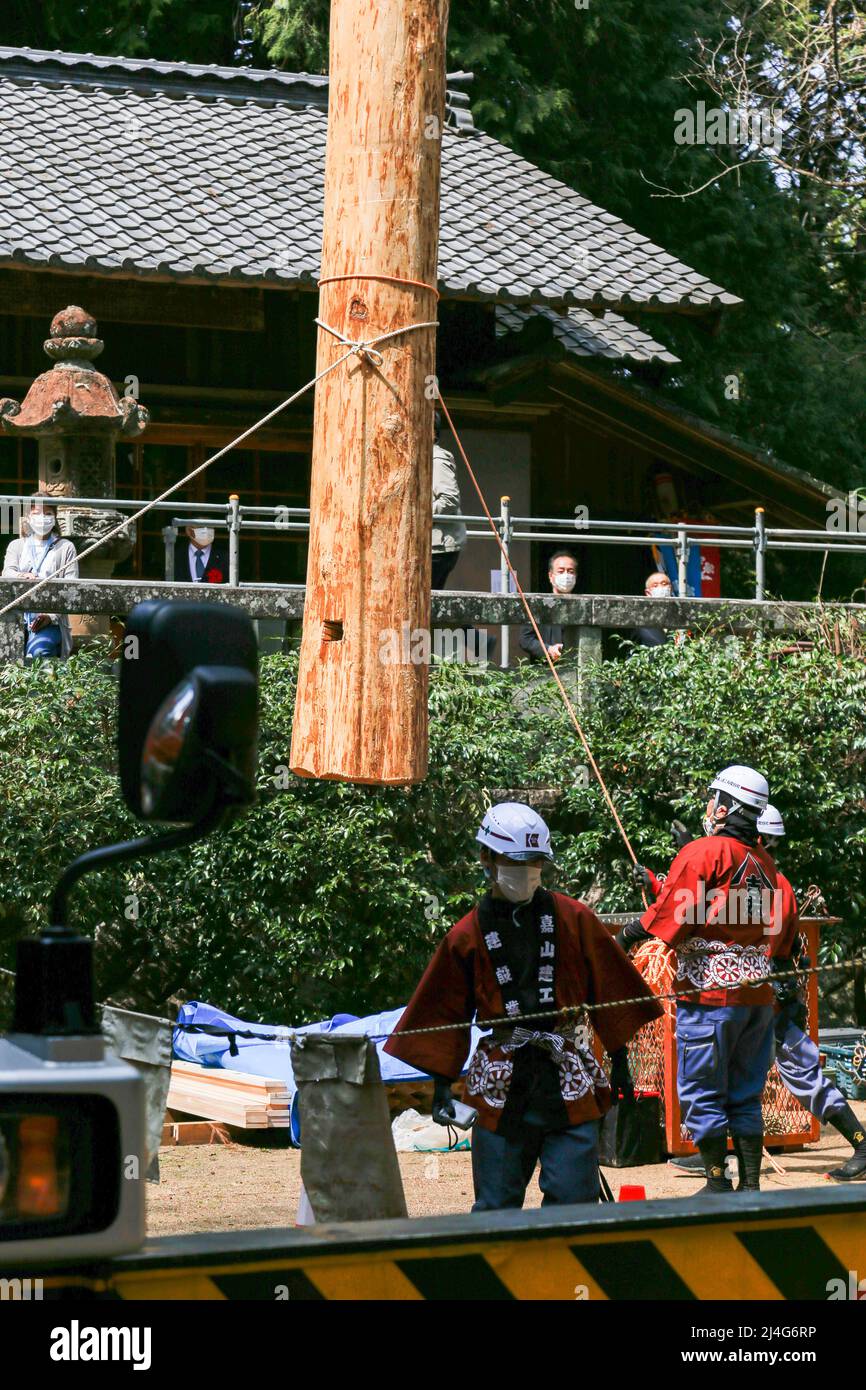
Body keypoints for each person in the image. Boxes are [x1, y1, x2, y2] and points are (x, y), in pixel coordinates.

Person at [384, 802, 662, 1211]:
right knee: (496, 1206)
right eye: (516, 861)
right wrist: (442, 1085)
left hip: (566, 1071)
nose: (526, 870)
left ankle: (567, 1274)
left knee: (574, 1200)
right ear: (487, 858)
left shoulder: (574, 918)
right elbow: (442, 1009)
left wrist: (620, 1062)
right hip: (501, 1079)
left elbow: (611, 990)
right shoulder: (466, 934)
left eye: (535, 861)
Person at [638, 808, 866, 1183]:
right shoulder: (776, 881)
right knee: (769, 1082)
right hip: (764, 997)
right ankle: (729, 1163)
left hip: (745, 995)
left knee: (720, 1083)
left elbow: (709, 921)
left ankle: (857, 1142)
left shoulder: (764, 882)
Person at [616, 765, 799, 1193]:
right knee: (745, 1093)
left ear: (727, 806)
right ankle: (750, 1187)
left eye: (712, 798)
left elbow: (676, 917)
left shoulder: (704, 853)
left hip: (711, 997)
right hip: (755, 1000)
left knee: (703, 1093)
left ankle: (717, 1183)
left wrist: (626, 937)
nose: (707, 806)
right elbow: (723, 915)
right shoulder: (764, 863)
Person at [1, 493, 78, 659]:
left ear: (55, 517)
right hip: (16, 617)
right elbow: (7, 572)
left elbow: (71, 587)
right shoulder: (17, 545)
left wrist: (50, 616)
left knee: (39, 652)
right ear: (28, 517)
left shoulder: (66, 548)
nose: (42, 518)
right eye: (36, 513)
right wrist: (22, 575)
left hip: (51, 622)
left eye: (48, 513)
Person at [519, 550, 578, 663]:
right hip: (545, 670)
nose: (566, 575)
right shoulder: (539, 605)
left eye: (570, 571)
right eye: (561, 571)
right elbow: (525, 639)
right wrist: (548, 649)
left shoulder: (583, 607)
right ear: (551, 576)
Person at [431, 412, 466, 590]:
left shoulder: (436, 458)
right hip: (435, 543)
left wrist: (420, 513)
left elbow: (450, 499)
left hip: (439, 545)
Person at [630, 570, 672, 648]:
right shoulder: (642, 621)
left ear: (670, 588)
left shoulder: (678, 614)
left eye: (664, 584)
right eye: (655, 585)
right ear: (648, 593)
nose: (661, 588)